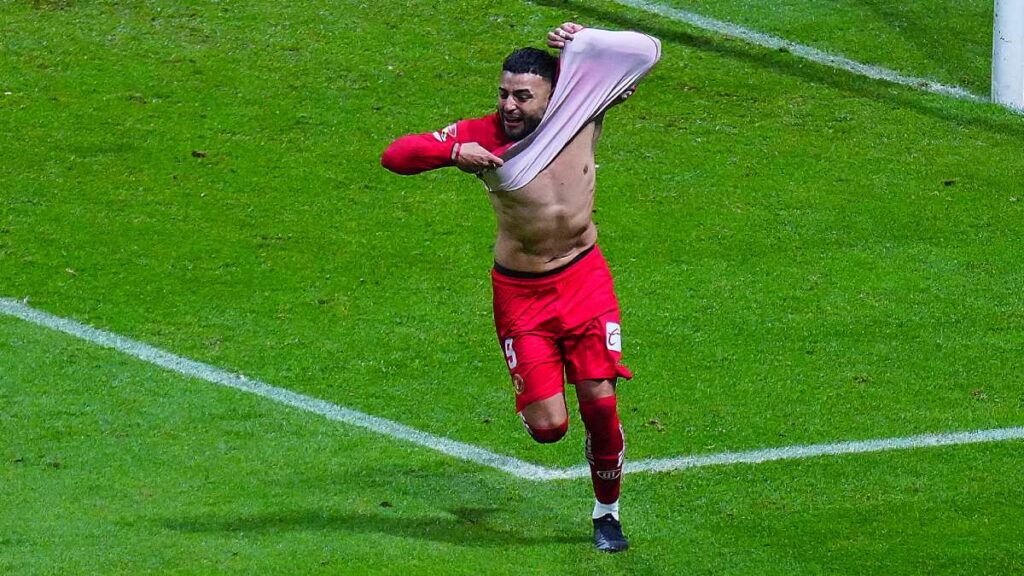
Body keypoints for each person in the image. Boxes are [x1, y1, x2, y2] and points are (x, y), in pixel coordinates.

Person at [381, 22, 661, 553]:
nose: (509, 104)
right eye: (503, 92)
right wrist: (452, 155)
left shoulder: (582, 109)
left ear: (553, 94)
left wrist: (585, 39)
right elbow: (395, 156)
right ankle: (557, 421)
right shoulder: (482, 136)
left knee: (600, 406)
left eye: (522, 95)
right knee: (549, 428)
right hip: (522, 296)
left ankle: (607, 513)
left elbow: (640, 55)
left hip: (584, 279)